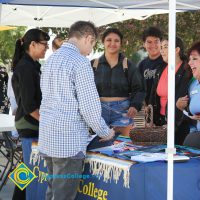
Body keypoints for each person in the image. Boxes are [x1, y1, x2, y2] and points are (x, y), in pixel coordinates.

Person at [38, 21, 115, 200]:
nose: (90, 51)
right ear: (88, 38)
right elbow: (89, 108)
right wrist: (105, 131)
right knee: (63, 196)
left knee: (52, 193)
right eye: (93, 45)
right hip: (68, 141)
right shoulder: (80, 63)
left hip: (48, 137)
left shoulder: (50, 60)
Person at [11, 28, 50, 200]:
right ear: (32, 44)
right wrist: (47, 123)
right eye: (44, 44)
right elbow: (28, 105)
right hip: (29, 124)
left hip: (27, 122)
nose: (46, 48)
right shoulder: (26, 67)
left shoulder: (32, 65)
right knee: (32, 170)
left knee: (26, 168)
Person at [91, 28, 144, 136]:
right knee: (98, 147)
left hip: (122, 111)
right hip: (98, 111)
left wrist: (135, 105)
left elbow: (139, 88)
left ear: (121, 44)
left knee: (121, 145)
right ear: (103, 42)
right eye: (109, 40)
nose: (112, 43)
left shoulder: (128, 65)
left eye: (116, 41)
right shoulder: (93, 65)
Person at [149, 37, 191, 145]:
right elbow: (153, 96)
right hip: (160, 122)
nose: (161, 51)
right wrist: (151, 119)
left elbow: (185, 98)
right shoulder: (160, 69)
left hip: (179, 124)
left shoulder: (187, 70)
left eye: (166, 47)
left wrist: (172, 124)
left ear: (177, 50)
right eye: (161, 47)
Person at [138, 27, 166, 105]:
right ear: (144, 44)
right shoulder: (141, 65)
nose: (153, 45)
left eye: (156, 41)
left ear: (161, 43)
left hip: (165, 108)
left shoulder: (167, 62)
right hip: (149, 110)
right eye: (149, 42)